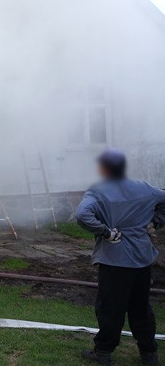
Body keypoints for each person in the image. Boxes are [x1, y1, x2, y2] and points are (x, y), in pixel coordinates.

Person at [76, 148, 165, 365]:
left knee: (110, 308)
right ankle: (148, 353)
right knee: (141, 307)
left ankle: (103, 352)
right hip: (142, 259)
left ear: (104, 169)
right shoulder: (144, 188)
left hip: (114, 260)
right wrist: (156, 220)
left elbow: (81, 215)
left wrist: (105, 232)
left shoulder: (98, 191)